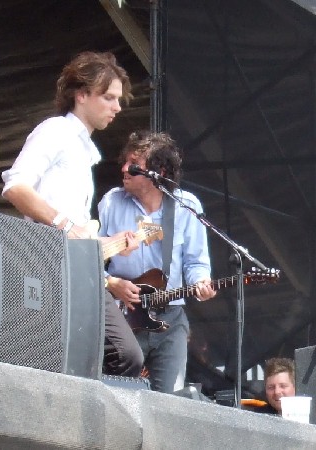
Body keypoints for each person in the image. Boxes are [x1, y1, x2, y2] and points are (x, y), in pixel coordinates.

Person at [1, 51, 144, 377]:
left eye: (118, 99)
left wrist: (108, 265)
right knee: (102, 355)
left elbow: (80, 231)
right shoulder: (55, 131)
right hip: (48, 262)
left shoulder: (83, 150)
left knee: (123, 356)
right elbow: (15, 186)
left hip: (80, 267)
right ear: (81, 95)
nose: (117, 108)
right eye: (108, 97)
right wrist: (64, 224)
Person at [98, 130, 216, 394]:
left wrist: (201, 282)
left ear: (159, 172)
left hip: (170, 317)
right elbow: (90, 258)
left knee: (170, 402)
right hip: (123, 315)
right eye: (126, 161)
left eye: (135, 165)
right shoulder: (111, 202)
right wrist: (111, 283)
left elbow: (196, 262)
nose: (125, 169)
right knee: (118, 393)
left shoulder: (186, 205)